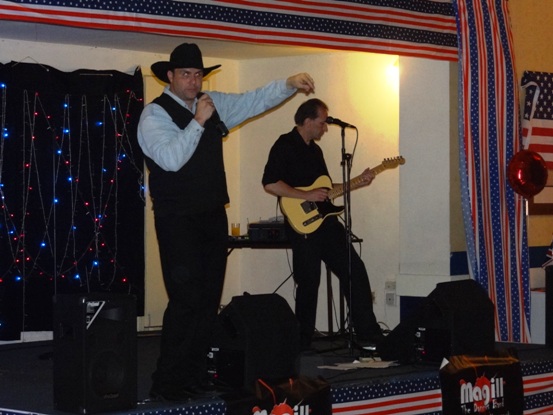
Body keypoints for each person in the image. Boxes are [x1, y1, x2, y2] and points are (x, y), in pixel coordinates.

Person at [138, 43, 314, 402]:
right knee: (185, 300)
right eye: (186, 74)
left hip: (211, 214)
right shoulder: (153, 115)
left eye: (198, 74)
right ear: (169, 76)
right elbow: (170, 160)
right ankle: (167, 383)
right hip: (177, 218)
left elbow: (252, 101)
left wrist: (287, 84)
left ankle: (194, 375)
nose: (193, 81)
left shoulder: (212, 103)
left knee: (207, 300)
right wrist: (198, 122)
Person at [262, 98, 382, 351]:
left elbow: (325, 190)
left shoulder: (315, 151)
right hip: (302, 225)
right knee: (309, 282)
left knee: (354, 269)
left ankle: (368, 333)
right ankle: (301, 342)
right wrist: (305, 195)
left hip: (326, 223)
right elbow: (270, 183)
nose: (325, 128)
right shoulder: (284, 145)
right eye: (322, 122)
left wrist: (357, 181)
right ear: (307, 121)